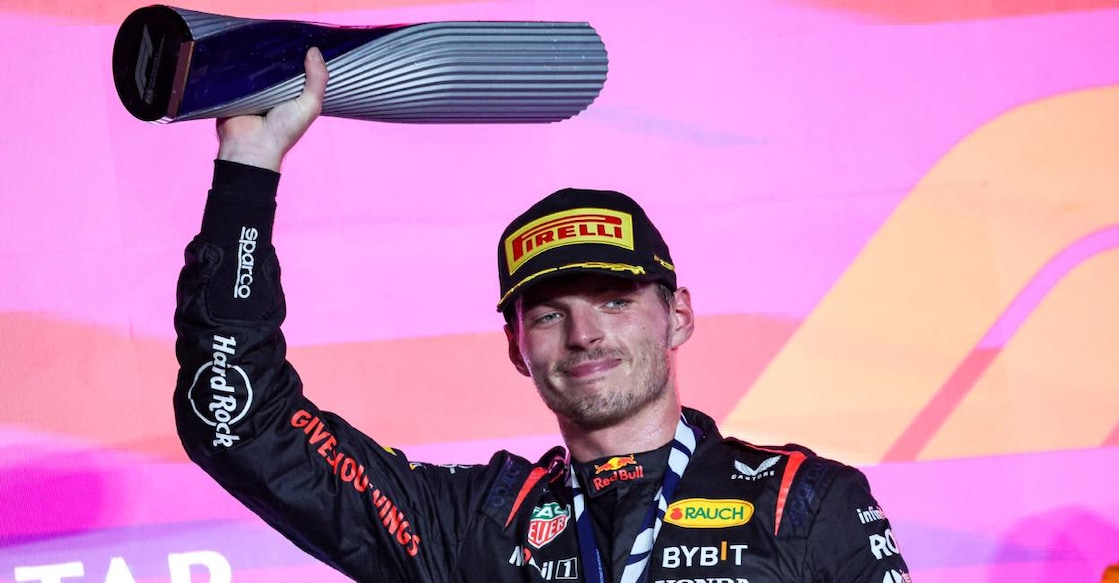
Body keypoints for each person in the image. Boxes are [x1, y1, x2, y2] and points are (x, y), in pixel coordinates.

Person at [173, 48, 912, 583]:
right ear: (516, 345)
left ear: (677, 315)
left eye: (614, 302)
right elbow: (237, 420)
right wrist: (249, 166)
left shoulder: (801, 501)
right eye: (550, 314)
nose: (585, 334)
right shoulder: (473, 524)